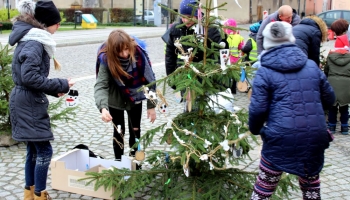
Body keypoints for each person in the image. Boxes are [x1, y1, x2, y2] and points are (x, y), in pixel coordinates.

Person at [249, 21, 335, 200]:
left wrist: (257, 130)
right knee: (311, 190)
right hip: (314, 136)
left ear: (266, 42)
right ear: (292, 39)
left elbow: (258, 109)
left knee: (264, 189)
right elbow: (330, 99)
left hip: (280, 138)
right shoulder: (312, 66)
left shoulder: (264, 72)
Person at [8, 1, 75, 199]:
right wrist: (61, 84)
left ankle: (29, 192)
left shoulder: (31, 39)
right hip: (28, 103)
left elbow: (29, 79)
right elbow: (29, 77)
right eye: (57, 22)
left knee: (33, 149)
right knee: (45, 150)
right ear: (45, 24)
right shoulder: (35, 43)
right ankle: (39, 194)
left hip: (25, 99)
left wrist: (56, 91)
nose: (59, 26)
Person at [94, 29, 157, 164]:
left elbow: (150, 80)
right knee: (118, 131)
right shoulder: (106, 59)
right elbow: (101, 85)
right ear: (113, 51)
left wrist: (151, 106)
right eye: (120, 51)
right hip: (115, 98)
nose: (124, 54)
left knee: (136, 130)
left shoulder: (138, 54)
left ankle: (136, 162)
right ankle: (119, 163)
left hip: (136, 96)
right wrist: (103, 108)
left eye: (126, 49)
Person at [162, 0, 222, 77]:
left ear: (197, 15)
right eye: (183, 17)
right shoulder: (176, 29)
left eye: (189, 17)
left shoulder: (209, 30)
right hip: (183, 76)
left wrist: (212, 74)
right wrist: (171, 76)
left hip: (205, 76)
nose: (186, 20)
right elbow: (170, 55)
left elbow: (219, 53)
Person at [324, 19, 350, 135]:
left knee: (333, 107)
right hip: (346, 83)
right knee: (344, 106)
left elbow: (327, 69)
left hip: (333, 82)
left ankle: (332, 126)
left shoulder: (338, 42)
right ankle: (345, 127)